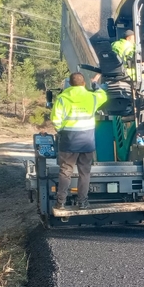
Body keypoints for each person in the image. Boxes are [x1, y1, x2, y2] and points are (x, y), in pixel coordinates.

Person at [51, 72, 107, 210]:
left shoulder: (62, 98)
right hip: (87, 140)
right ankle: (82, 202)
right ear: (83, 84)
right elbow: (103, 95)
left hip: (69, 140)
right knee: (84, 172)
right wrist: (94, 83)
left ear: (70, 83)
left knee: (65, 171)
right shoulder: (92, 97)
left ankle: (61, 202)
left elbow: (56, 119)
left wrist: (61, 131)